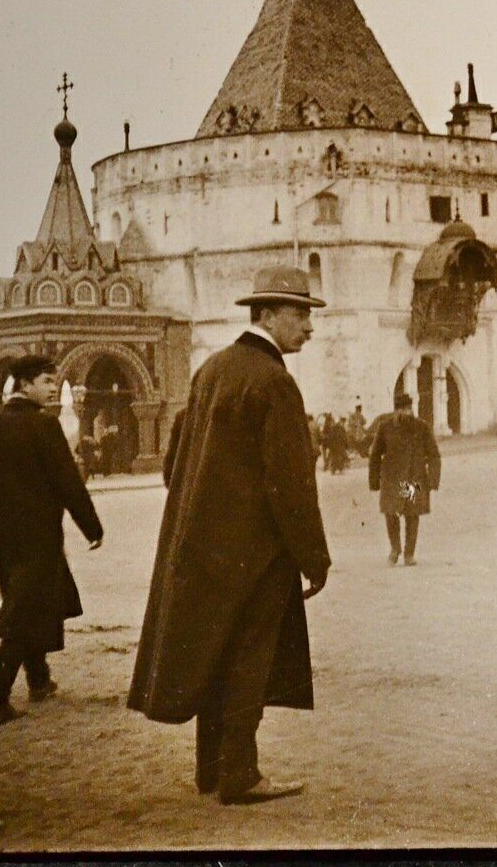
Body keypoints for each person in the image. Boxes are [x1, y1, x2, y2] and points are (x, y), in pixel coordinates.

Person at [128, 265, 332, 805]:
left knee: (214, 653)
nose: (309, 327)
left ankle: (209, 771)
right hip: (257, 555)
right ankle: (240, 774)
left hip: (202, 549)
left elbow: (175, 466)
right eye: (301, 314)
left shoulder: (212, 370)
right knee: (249, 659)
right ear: (266, 314)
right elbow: (291, 484)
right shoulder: (274, 382)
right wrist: (314, 556)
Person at [0, 356, 104, 726]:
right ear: (25, 385)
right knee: (25, 612)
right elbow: (67, 481)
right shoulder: (43, 426)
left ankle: (39, 679)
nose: (55, 387)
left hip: (3, 540)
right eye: (47, 381)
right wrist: (92, 527)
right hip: (39, 536)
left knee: (26, 602)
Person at [368, 391, 441, 565]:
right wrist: (374, 481)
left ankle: (409, 554)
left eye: (408, 408)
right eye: (402, 409)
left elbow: (434, 455)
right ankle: (395, 549)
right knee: (390, 513)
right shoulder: (385, 427)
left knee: (412, 515)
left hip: (413, 478)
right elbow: (375, 455)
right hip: (392, 479)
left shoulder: (421, 427)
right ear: (396, 411)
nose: (406, 412)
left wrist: (433, 480)